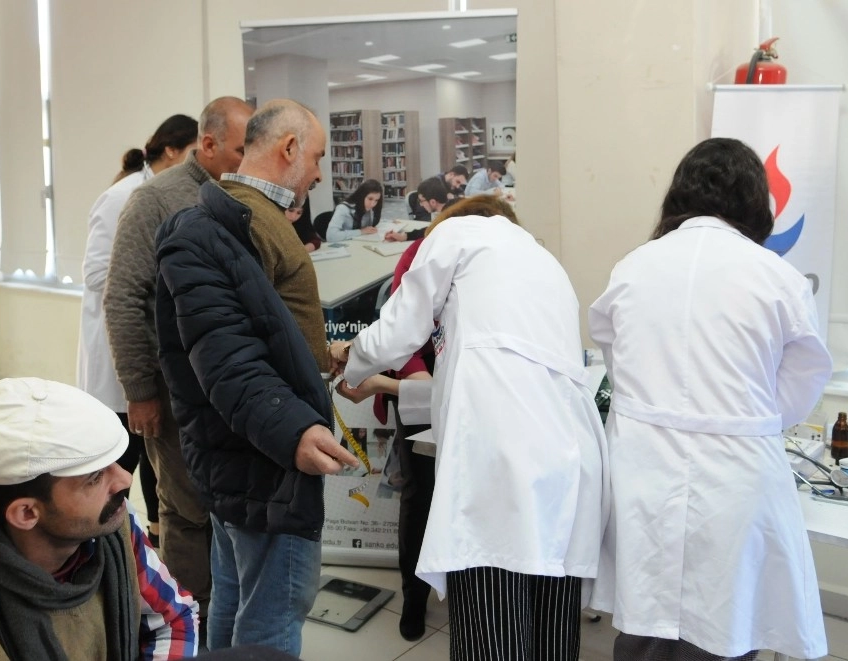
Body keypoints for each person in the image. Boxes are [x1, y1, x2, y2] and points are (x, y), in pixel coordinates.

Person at [587, 137, 833, 661]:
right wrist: (745, 415)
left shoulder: (633, 267)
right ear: (754, 200)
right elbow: (802, 382)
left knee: (644, 619)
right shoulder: (778, 277)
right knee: (727, 624)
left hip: (642, 467)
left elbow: (616, 361)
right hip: (736, 474)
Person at [330, 196, 608, 660]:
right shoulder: (543, 262)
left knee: (490, 624)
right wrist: (379, 381)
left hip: (498, 467)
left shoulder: (457, 235)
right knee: (551, 627)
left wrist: (353, 362)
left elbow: (399, 330)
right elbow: (463, 384)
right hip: (567, 467)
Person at [153, 98, 360, 657]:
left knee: (237, 594)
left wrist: (320, 353)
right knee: (272, 611)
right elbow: (227, 354)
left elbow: (263, 327)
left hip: (243, 445)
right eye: (316, 157)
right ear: (289, 149)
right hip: (262, 452)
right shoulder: (216, 228)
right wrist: (294, 431)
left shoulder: (245, 221)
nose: (318, 173)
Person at [103, 96, 254, 629]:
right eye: (240, 148)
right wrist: (140, 388)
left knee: (230, 509)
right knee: (187, 511)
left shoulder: (243, 195)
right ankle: (187, 620)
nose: (248, 158)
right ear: (207, 145)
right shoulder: (156, 200)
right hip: (175, 392)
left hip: (234, 389)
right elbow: (123, 297)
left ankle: (227, 617)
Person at [0, 377, 199, 660]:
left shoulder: (115, 531)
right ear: (27, 513)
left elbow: (175, 618)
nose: (124, 479)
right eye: (95, 477)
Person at [78, 113, 198, 549]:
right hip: (123, 352)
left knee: (157, 465)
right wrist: (151, 277)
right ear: (171, 150)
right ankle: (104, 548)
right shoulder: (124, 197)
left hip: (158, 352)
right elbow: (97, 275)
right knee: (120, 465)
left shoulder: (172, 194)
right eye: (191, 153)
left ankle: (150, 547)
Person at [332, 232, 436, 641]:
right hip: (418, 383)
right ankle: (414, 597)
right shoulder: (421, 253)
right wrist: (413, 378)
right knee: (420, 494)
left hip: (468, 384)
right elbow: (398, 326)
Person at [386, 177, 451, 242]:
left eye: (421, 201)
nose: (420, 204)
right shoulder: (445, 211)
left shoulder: (450, 219)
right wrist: (405, 236)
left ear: (433, 202)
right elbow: (431, 230)